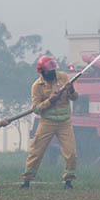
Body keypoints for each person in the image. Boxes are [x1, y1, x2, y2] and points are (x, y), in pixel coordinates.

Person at [22, 56, 79, 189]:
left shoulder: (64, 77)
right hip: (47, 123)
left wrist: (71, 90)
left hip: (65, 123)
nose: (53, 73)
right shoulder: (37, 86)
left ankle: (69, 181)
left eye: (54, 70)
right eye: (49, 71)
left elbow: (75, 98)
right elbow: (36, 109)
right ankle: (27, 181)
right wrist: (50, 101)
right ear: (42, 72)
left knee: (71, 153)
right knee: (36, 152)